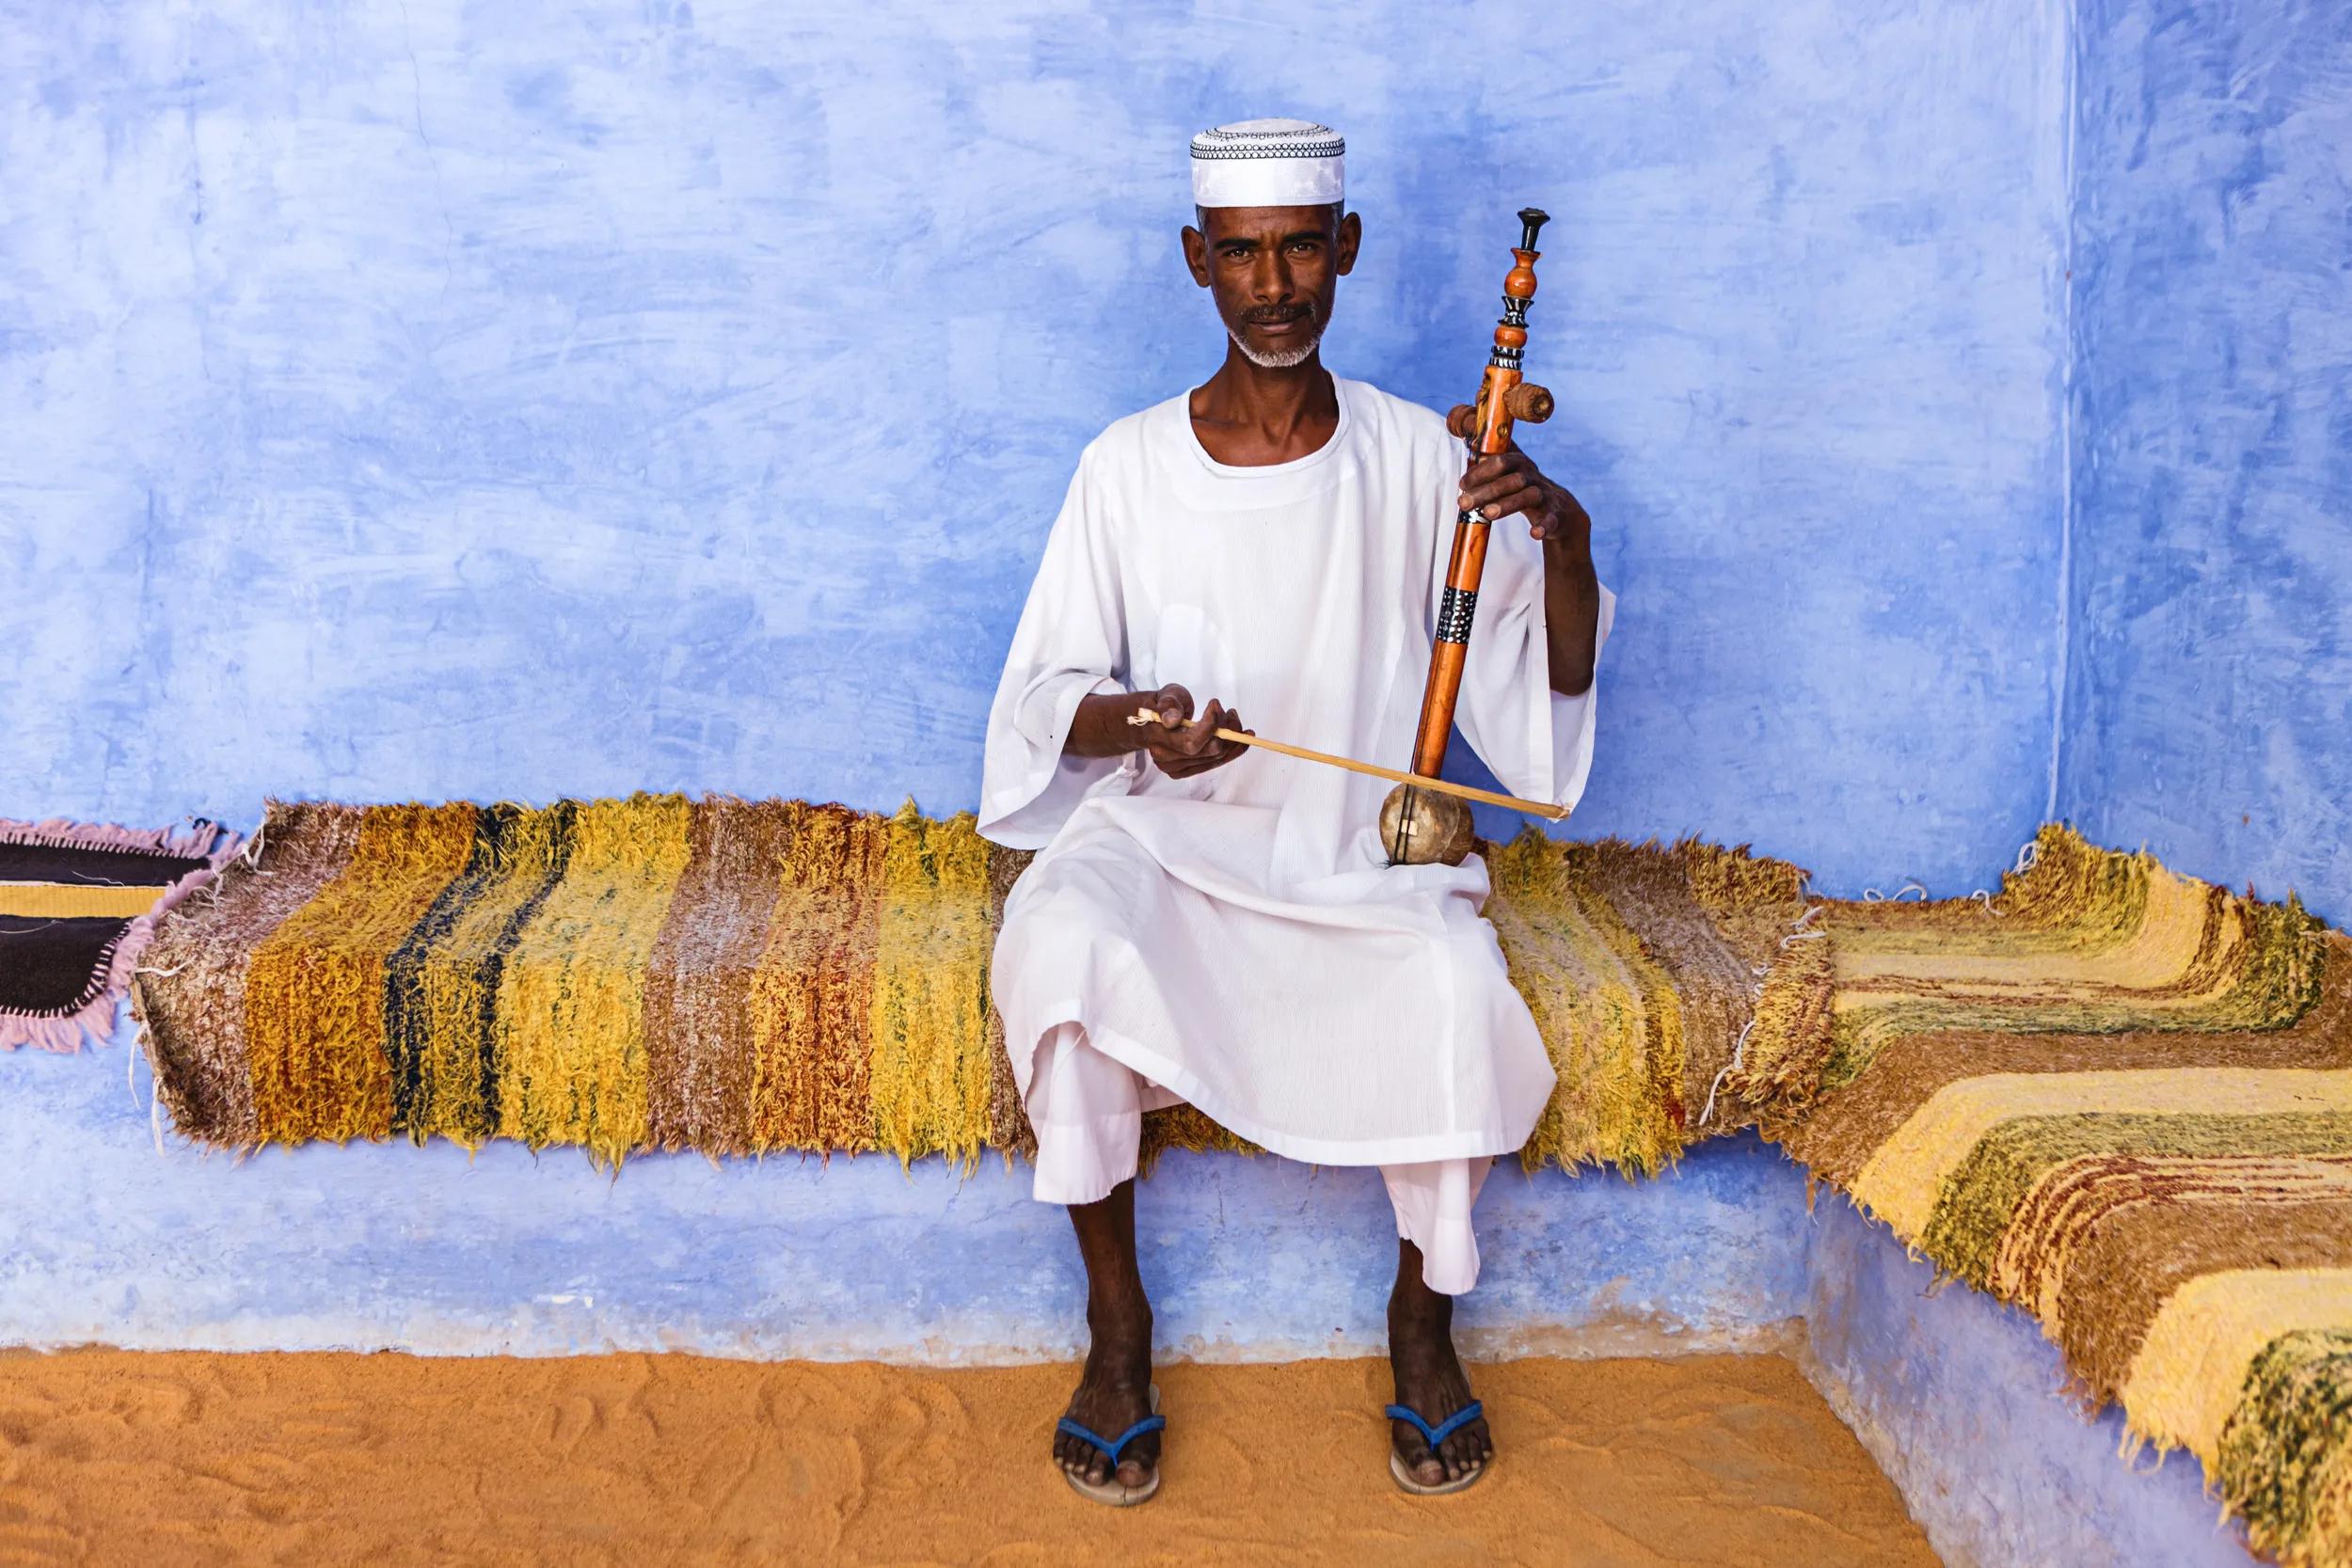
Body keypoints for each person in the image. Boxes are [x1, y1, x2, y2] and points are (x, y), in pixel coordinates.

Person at [976, 118, 1616, 1506]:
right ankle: (1119, 1330)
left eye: (1303, 250)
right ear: (1195, 259)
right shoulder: (1124, 467)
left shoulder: (1421, 459)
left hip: (1353, 867)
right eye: (1243, 256)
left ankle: (1423, 1326)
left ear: (1348, 249)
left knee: (1454, 988)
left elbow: (1545, 680)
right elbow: (1047, 699)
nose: (1274, 287)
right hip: (1165, 847)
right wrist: (1141, 724)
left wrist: (1562, 536)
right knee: (1062, 946)